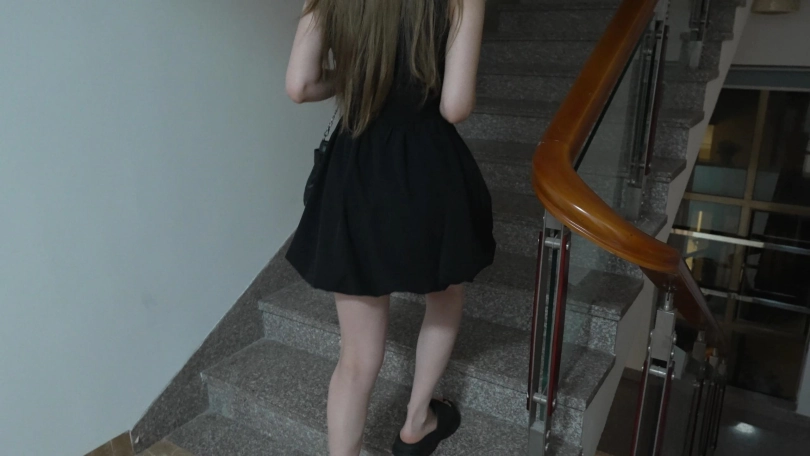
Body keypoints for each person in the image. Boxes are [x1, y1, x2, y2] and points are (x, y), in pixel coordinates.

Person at [284, 1, 493, 455]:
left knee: (356, 359)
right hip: (426, 165)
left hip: (356, 166)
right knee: (444, 292)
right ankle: (417, 422)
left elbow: (299, 84)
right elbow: (455, 105)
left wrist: (358, 79)